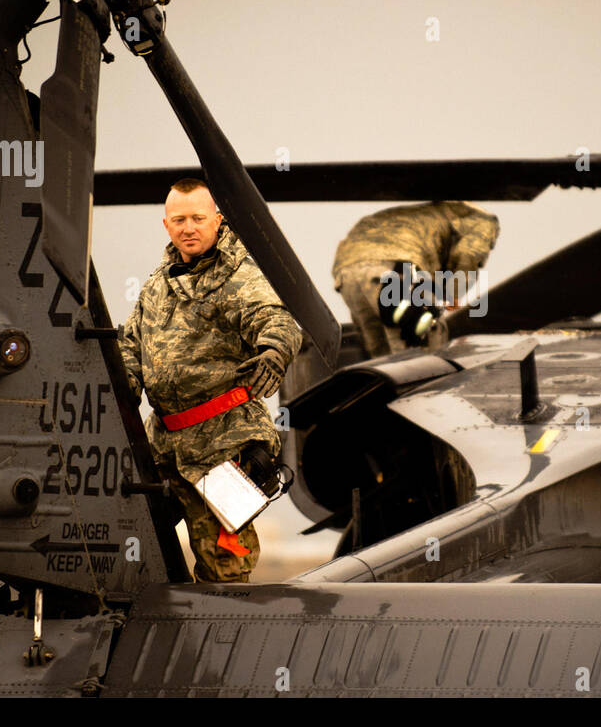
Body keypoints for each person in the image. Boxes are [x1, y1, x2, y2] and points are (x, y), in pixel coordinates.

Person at [119, 178, 301, 582]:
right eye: (180, 219)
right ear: (166, 225)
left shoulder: (240, 276)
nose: (189, 228)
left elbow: (277, 318)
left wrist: (273, 349)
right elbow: (130, 345)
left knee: (226, 569)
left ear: (217, 220)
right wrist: (119, 389)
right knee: (126, 549)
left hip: (223, 447)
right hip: (163, 447)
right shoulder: (156, 285)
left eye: (198, 218)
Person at [332, 201, 500, 358]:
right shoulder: (482, 219)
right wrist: (451, 295)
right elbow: (468, 255)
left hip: (346, 270)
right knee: (422, 344)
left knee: (379, 356)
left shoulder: (419, 214)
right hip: (397, 266)